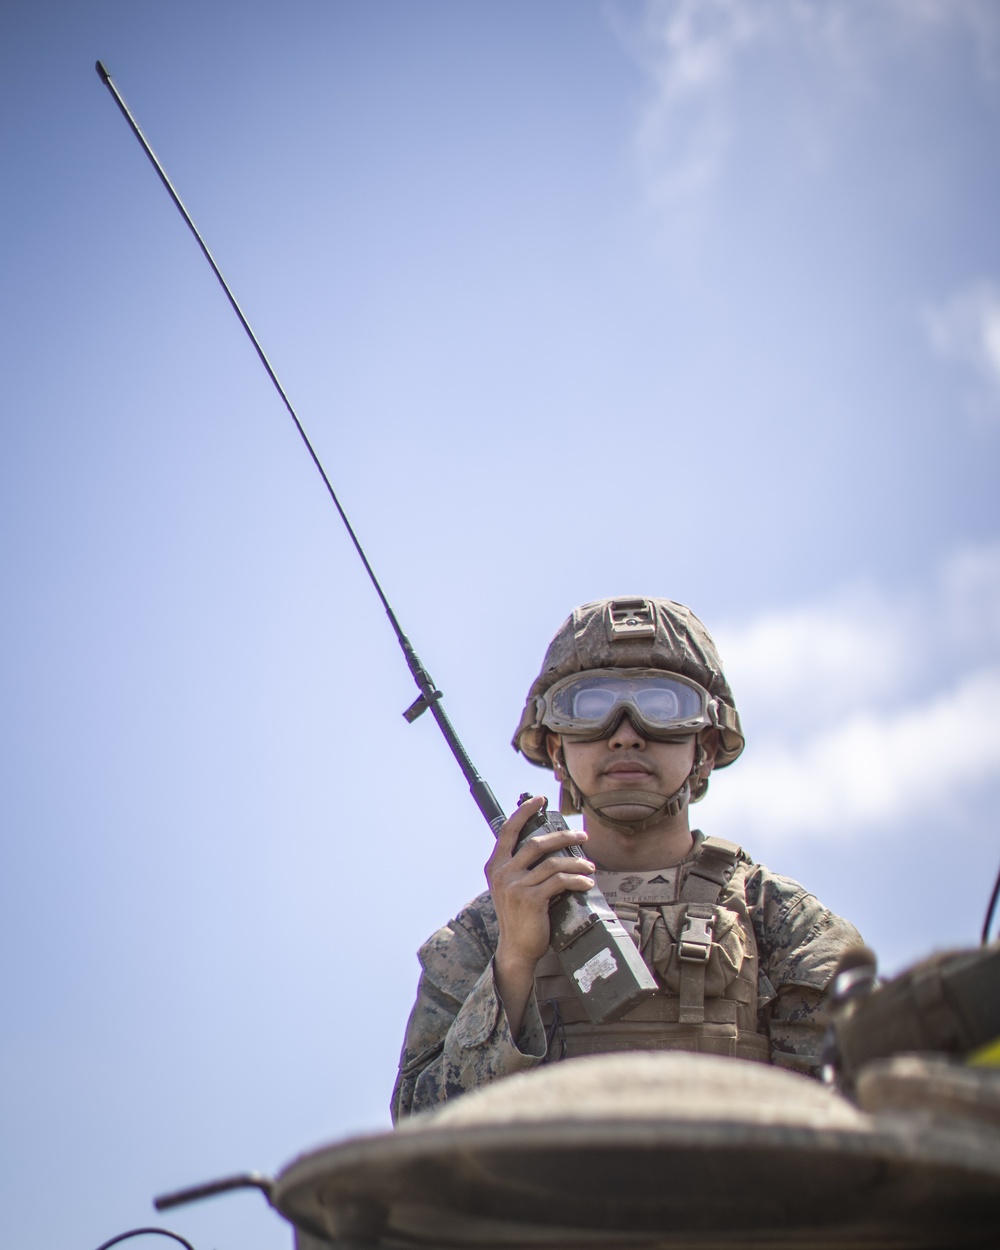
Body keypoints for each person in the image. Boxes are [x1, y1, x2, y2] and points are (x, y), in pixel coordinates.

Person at [391, 597, 863, 1121]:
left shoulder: (781, 924)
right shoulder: (486, 933)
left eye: (662, 706)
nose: (626, 732)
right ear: (555, 750)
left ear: (704, 747)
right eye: (591, 708)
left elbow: (856, 1123)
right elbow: (418, 1130)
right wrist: (514, 964)